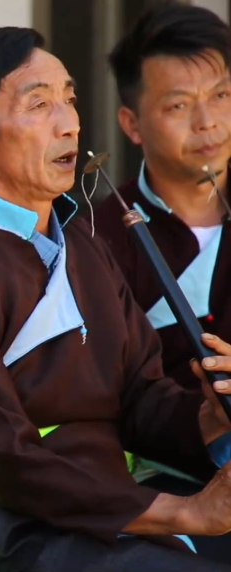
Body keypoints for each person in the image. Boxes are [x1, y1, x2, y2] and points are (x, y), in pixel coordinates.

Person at [0, 25, 231, 572]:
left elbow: (141, 398)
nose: (69, 122)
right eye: (39, 104)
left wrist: (210, 416)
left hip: (103, 510)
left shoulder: (87, 249)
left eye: (69, 99)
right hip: (5, 525)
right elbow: (9, 457)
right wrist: (184, 512)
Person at [96, 1, 231, 395]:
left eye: (221, 95)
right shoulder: (101, 239)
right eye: (179, 105)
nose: (207, 121)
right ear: (131, 124)